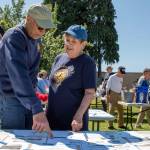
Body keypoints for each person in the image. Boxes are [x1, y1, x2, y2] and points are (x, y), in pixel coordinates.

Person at [0, 4, 53, 136]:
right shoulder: (14, 37)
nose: (43, 32)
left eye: (46, 29)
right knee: (16, 140)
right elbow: (19, 75)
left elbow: (33, 73)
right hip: (11, 98)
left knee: (33, 138)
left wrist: (34, 98)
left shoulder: (37, 41)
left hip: (29, 98)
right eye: (40, 27)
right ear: (28, 18)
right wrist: (36, 107)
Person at [46, 25, 96, 131]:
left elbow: (89, 93)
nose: (69, 44)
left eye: (74, 41)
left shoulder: (87, 62)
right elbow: (54, 86)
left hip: (72, 123)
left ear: (83, 44)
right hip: (51, 120)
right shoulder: (59, 58)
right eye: (67, 40)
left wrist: (78, 116)